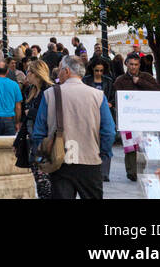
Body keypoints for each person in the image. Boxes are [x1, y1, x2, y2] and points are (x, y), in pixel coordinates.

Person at [31, 56, 116, 199]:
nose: (57, 74)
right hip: (90, 160)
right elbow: (108, 131)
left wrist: (41, 154)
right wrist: (103, 154)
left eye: (59, 70)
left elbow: (39, 132)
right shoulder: (98, 95)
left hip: (60, 161)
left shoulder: (49, 94)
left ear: (66, 71)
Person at [112, 52, 160, 182]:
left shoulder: (147, 77)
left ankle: (140, 169)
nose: (133, 67)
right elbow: (116, 98)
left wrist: (140, 82)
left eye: (136, 64)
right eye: (131, 64)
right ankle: (132, 172)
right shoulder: (120, 80)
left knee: (143, 146)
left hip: (145, 118)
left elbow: (158, 91)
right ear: (126, 64)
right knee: (130, 146)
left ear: (139, 65)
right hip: (128, 119)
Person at [22, 60, 55, 198]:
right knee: (39, 179)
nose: (26, 74)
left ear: (36, 74)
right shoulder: (33, 90)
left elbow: (50, 115)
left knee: (45, 183)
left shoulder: (49, 91)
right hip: (33, 139)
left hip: (44, 141)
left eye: (29, 71)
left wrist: (31, 113)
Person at [83, 58, 117, 181]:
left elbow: (114, 97)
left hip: (105, 114)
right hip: (90, 115)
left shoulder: (108, 81)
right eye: (96, 70)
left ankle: (104, 173)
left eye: (101, 71)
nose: (98, 73)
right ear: (92, 69)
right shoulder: (86, 80)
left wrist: (111, 104)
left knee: (107, 140)